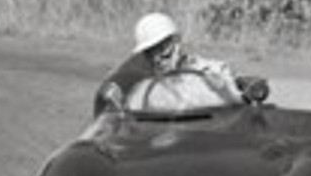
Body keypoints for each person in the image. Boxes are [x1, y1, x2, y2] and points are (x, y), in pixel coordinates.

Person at [95, 13, 266, 114]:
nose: (161, 55)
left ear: (177, 43)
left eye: (165, 46)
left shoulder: (208, 68)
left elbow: (235, 94)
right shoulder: (138, 76)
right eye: (153, 50)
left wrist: (234, 89)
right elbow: (110, 99)